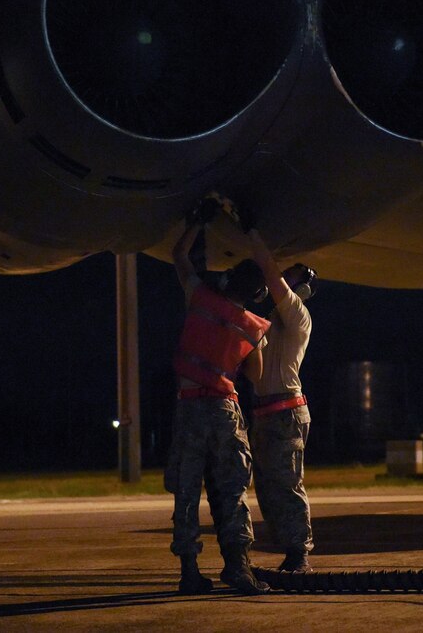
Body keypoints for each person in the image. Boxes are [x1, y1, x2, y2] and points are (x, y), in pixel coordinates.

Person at [164, 203, 271, 595]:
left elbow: (178, 256)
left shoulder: (200, 299)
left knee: (188, 489)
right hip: (225, 410)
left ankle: (189, 571)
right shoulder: (251, 326)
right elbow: (256, 376)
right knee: (232, 489)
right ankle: (239, 567)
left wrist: (196, 223)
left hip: (190, 406)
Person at [247, 228, 317, 572]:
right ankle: (289, 552)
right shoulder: (267, 323)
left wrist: (254, 237)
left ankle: (299, 553)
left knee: (287, 484)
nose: (282, 283)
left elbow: (273, 278)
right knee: (268, 489)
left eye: (292, 280)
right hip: (265, 413)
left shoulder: (298, 316)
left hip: (285, 411)